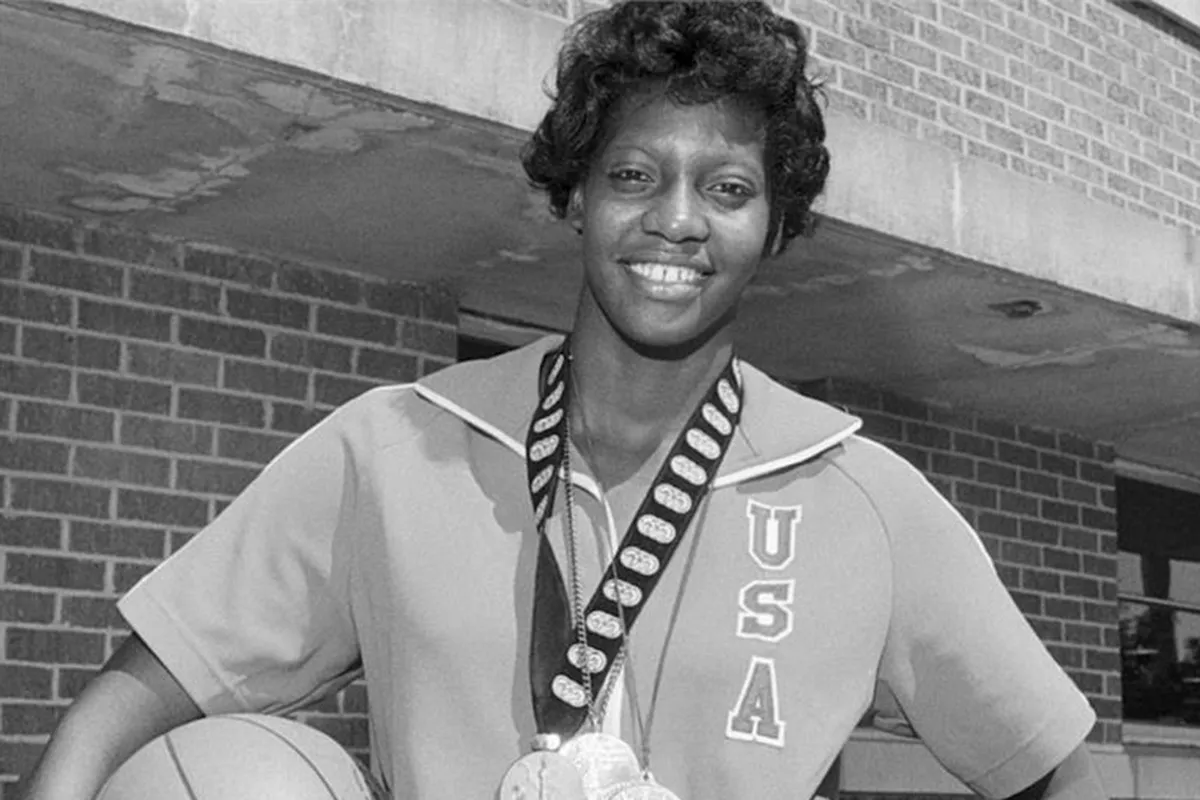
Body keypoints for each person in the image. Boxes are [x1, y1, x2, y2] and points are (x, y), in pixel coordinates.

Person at [19, 2, 1108, 798]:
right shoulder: (398, 444)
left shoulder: (864, 494)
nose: (676, 220)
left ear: (775, 224)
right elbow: (132, 696)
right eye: (634, 175)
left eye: (728, 188)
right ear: (576, 194)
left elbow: (1061, 766)